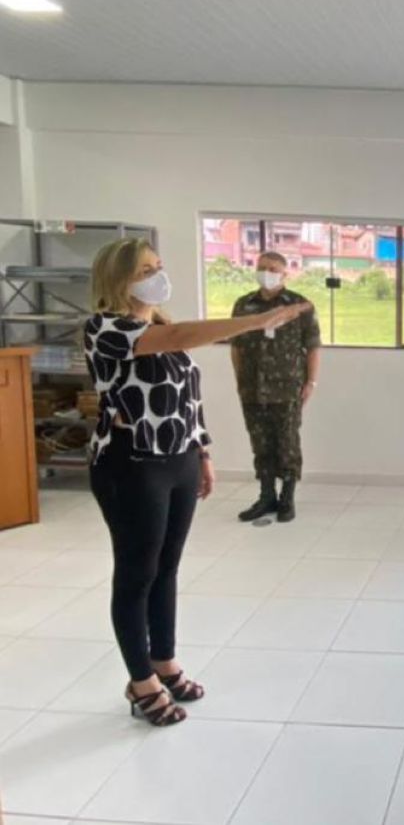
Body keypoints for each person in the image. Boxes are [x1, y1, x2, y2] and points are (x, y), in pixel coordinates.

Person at [85, 237, 311, 726]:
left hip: (179, 459)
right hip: (133, 463)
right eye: (145, 270)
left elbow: (187, 398)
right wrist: (255, 321)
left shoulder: (161, 327)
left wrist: (202, 453)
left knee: (166, 569)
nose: (157, 276)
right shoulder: (106, 329)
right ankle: (140, 680)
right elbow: (181, 337)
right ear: (118, 279)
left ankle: (164, 662)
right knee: (137, 573)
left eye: (158, 266)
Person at [230, 252, 321, 524]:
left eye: (272, 269)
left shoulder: (299, 305)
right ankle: (266, 496)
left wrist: (311, 382)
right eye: (262, 268)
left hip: (287, 388)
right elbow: (236, 347)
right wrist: (239, 380)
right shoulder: (244, 305)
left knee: (288, 444)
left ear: (284, 273)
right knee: (260, 444)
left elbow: (313, 347)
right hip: (252, 388)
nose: (266, 273)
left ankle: (287, 498)